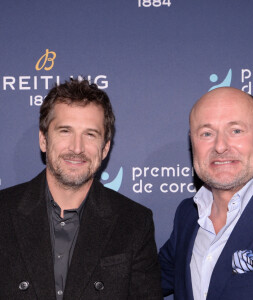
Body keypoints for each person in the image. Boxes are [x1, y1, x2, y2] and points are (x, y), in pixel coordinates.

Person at [0, 79, 162, 300]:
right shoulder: (3, 212)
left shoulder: (134, 222)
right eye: (65, 131)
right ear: (43, 140)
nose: (77, 148)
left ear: (105, 148)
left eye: (90, 134)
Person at [159, 87, 253, 300]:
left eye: (236, 131)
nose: (220, 146)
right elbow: (143, 283)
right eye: (206, 133)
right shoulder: (187, 215)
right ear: (192, 142)